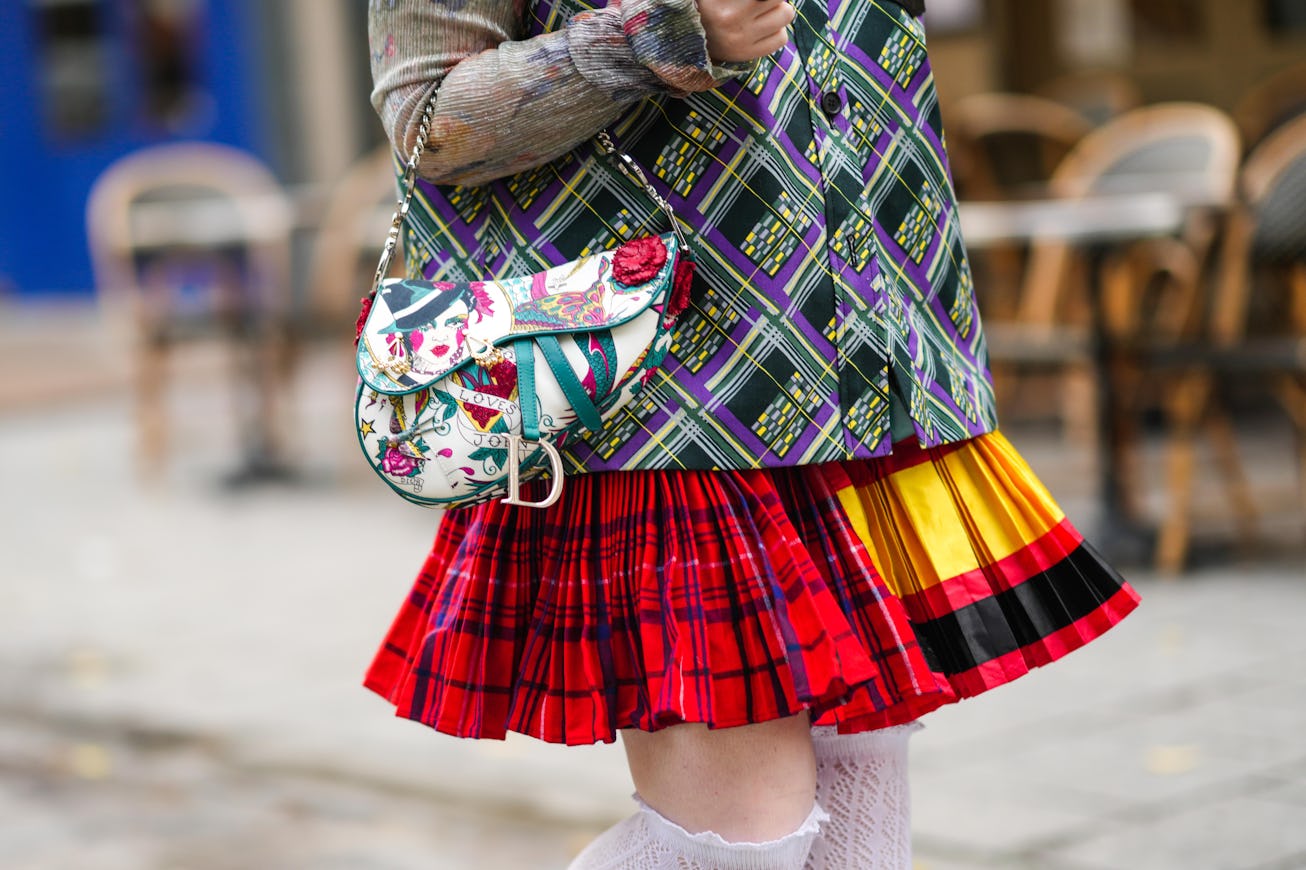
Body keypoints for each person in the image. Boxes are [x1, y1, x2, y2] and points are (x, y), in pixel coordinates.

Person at [362, 0, 1141, 867]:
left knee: (862, 828)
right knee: (742, 845)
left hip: (874, 363)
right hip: (668, 394)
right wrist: (665, 32)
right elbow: (426, 122)